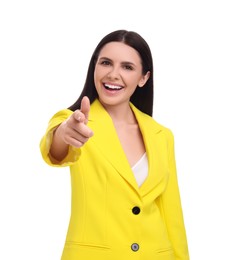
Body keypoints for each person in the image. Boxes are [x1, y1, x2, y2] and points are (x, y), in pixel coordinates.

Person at [40, 29, 190, 260]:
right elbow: (56, 149)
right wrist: (64, 133)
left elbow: (172, 213)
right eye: (106, 63)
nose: (113, 74)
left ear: (143, 78)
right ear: (94, 68)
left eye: (127, 67)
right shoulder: (75, 121)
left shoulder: (162, 135)